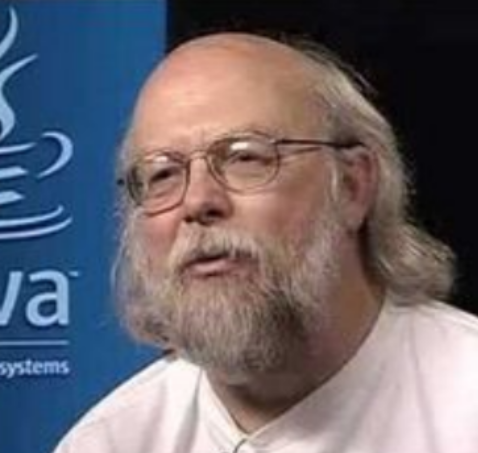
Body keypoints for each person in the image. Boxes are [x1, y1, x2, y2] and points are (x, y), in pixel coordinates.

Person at [53, 32, 478, 453]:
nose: (198, 201)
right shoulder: (109, 442)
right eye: (163, 174)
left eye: (245, 157)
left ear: (353, 187)